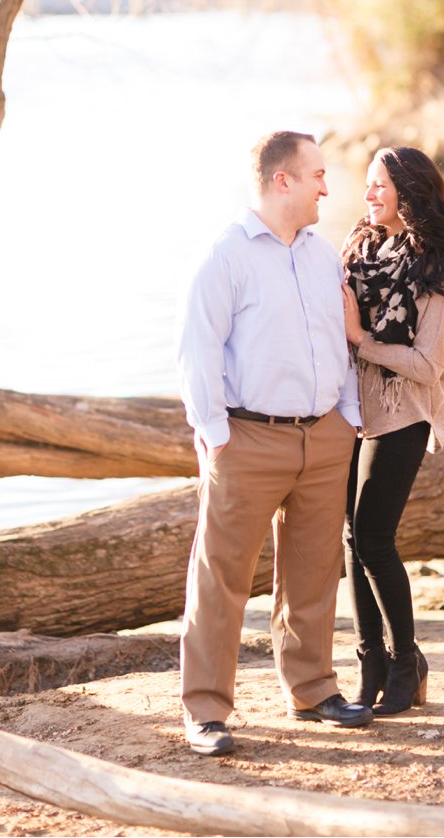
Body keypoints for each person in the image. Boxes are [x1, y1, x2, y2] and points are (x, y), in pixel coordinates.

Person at [175, 130, 370, 757]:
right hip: (248, 440)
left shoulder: (321, 254)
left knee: (314, 574)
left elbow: (337, 339)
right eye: (316, 174)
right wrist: (215, 432)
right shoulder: (225, 256)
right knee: (221, 578)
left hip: (325, 438)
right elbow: (197, 351)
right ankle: (206, 710)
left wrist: (346, 414)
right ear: (281, 180)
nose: (326, 186)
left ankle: (312, 690)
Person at [341, 146, 444, 715]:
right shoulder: (359, 251)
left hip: (405, 414)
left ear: (409, 192)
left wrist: (361, 339)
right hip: (351, 411)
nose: (369, 194)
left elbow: (426, 365)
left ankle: (406, 663)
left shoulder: (437, 270)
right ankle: (369, 663)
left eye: (379, 186)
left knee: (374, 537)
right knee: (351, 539)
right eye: (367, 184)